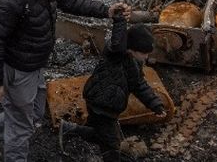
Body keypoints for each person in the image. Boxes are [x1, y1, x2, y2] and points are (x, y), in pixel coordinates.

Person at [0, 0, 131, 162]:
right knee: (21, 128)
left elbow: (73, 2)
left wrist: (107, 11)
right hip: (18, 71)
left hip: (35, 66)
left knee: (34, 113)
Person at [58, 21, 166, 160]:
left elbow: (139, 84)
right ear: (132, 48)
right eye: (143, 53)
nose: (146, 56)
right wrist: (120, 18)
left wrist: (155, 104)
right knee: (112, 146)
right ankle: (72, 131)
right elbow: (118, 41)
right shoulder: (115, 53)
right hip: (100, 105)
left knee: (102, 135)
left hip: (109, 105)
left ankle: (69, 129)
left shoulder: (134, 62)